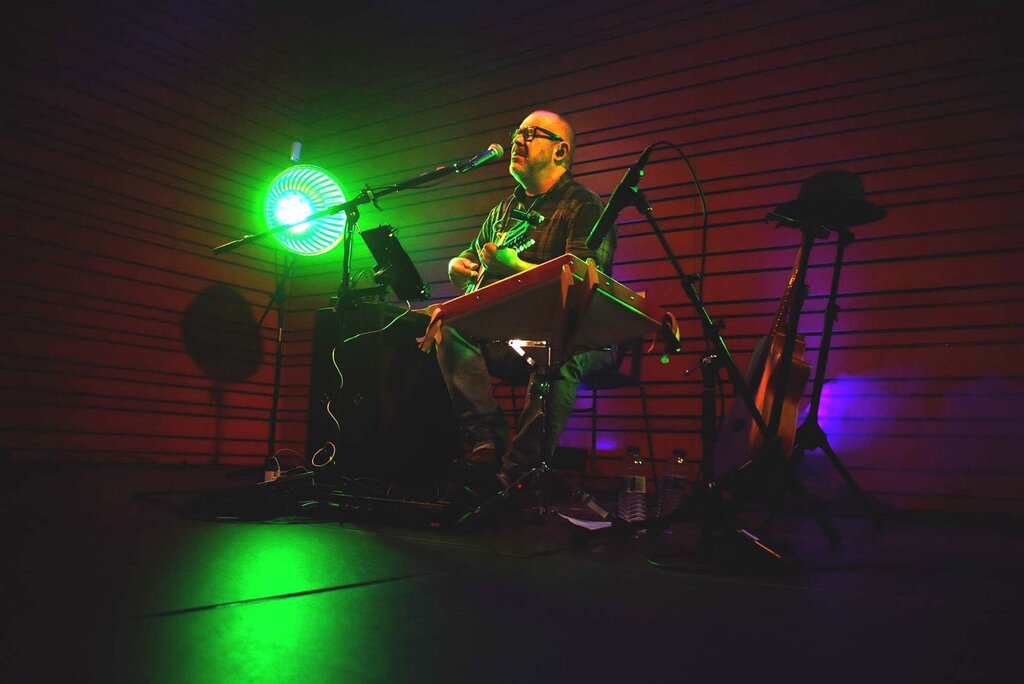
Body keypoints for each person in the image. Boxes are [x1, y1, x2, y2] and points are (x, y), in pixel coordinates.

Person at [435, 110, 616, 481]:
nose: (518, 139)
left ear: (560, 151)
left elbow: (584, 282)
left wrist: (515, 266)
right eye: (517, 132)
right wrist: (457, 265)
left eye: (531, 133)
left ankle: (519, 473)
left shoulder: (585, 205)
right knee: (445, 327)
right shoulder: (504, 209)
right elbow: (473, 256)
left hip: (576, 336)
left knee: (560, 351)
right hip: (514, 335)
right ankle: (485, 444)